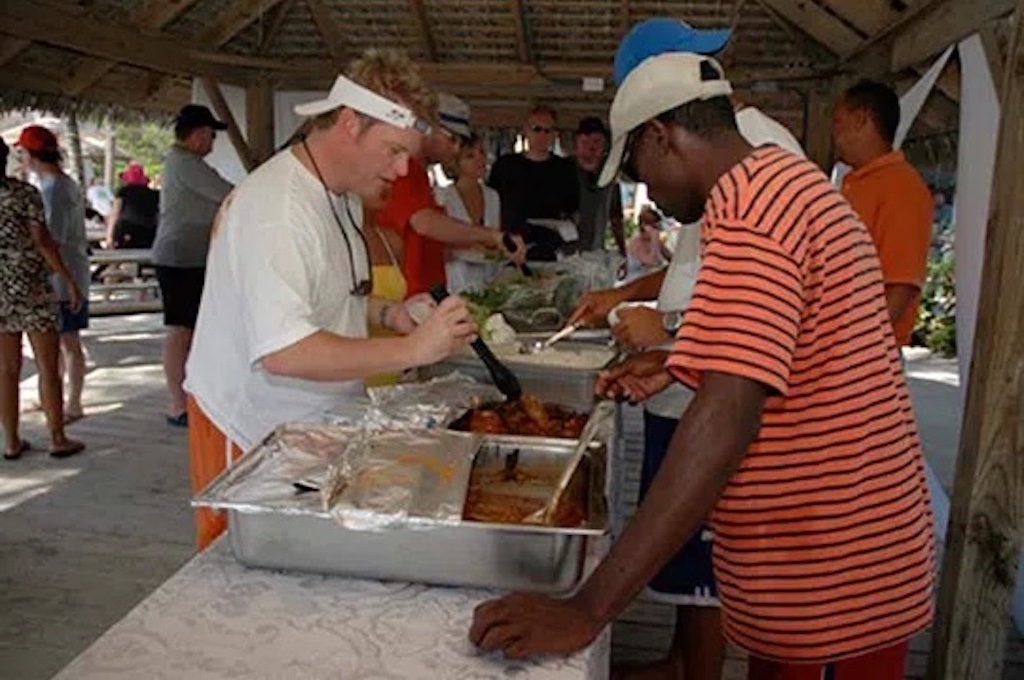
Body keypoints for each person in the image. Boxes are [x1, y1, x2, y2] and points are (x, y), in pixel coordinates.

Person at [470, 51, 936, 680]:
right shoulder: (779, 183)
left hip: (833, 564)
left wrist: (588, 607)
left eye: (638, 168)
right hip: (834, 549)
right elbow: (791, 343)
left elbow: (726, 416)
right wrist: (678, 362)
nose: (649, 193)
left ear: (663, 137)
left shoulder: (753, 212)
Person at [183, 48, 478, 551]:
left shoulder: (337, 194)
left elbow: (327, 297)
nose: (404, 168)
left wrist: (389, 313)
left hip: (306, 427)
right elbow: (285, 350)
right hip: (250, 431)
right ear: (349, 124)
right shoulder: (277, 209)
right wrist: (413, 351)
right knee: (241, 579)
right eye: (392, 150)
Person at [376, 94, 522, 297]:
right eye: (451, 139)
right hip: (407, 293)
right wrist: (492, 236)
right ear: (427, 128)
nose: (454, 149)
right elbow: (425, 223)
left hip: (425, 290)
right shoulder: (405, 169)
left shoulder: (420, 175)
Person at [0, 137, 85, 459]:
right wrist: (68, 280)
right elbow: (43, 241)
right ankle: (57, 436)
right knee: (48, 365)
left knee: (7, 369)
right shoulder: (24, 193)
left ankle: (10, 440)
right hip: (30, 283)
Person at [833, 80, 933, 349]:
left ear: (861, 120)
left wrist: (856, 349)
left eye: (838, 124)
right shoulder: (857, 182)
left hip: (865, 354)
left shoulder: (902, 187)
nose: (835, 135)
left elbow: (900, 287)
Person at [151, 104, 234, 427]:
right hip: (180, 257)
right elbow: (229, 194)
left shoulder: (186, 163)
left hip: (191, 257)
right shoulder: (185, 163)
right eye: (211, 135)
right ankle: (176, 402)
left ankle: (190, 396)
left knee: (191, 330)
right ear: (199, 135)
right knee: (180, 330)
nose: (212, 142)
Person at [17, 125, 91, 423]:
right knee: (59, 342)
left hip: (62, 276)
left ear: (30, 155)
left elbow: (53, 238)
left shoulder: (53, 190)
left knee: (69, 341)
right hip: (68, 272)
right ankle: (56, 396)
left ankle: (72, 402)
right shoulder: (63, 184)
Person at [488, 105, 578, 260]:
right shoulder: (505, 165)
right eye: (536, 129)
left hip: (548, 246)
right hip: (511, 246)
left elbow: (572, 209)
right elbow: (490, 202)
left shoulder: (565, 169)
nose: (542, 135)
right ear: (525, 130)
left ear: (554, 135)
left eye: (547, 131)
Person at [435, 132, 503, 293]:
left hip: (491, 283)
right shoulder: (442, 196)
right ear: (455, 162)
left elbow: (495, 239)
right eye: (470, 156)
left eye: (482, 153)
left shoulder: (493, 196)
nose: (479, 159)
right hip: (454, 283)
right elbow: (436, 247)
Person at [573, 116, 625, 256]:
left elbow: (616, 218)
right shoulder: (563, 171)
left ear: (604, 145)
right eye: (585, 142)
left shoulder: (610, 177)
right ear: (576, 144)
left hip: (595, 252)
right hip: (563, 253)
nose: (591, 148)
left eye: (596, 142)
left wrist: (622, 251)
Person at [105, 161, 159, 249]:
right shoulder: (154, 194)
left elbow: (115, 214)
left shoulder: (123, 192)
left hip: (126, 230)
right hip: (149, 233)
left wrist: (109, 237)